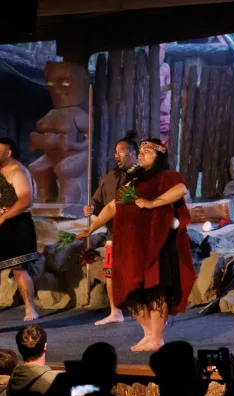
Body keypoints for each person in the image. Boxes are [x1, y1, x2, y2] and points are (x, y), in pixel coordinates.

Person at [77, 138, 195, 352]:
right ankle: (149, 334)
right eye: (139, 151)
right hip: (136, 246)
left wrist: (153, 203)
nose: (140, 155)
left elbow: (180, 190)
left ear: (158, 156)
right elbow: (113, 206)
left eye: (146, 152)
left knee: (156, 290)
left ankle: (157, 338)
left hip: (158, 244)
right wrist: (92, 228)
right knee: (131, 292)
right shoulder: (134, 182)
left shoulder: (167, 176)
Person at [82, 132, 140, 326]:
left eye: (120, 151)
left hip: (137, 234)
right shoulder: (110, 177)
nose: (116, 155)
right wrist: (90, 208)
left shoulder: (143, 176)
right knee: (110, 273)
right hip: (114, 233)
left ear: (132, 152)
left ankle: (151, 312)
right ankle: (116, 312)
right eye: (115, 151)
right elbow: (98, 202)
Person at [0, 137, 40, 321]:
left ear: (9, 152)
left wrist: (3, 217)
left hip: (16, 225)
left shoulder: (18, 171)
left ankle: (31, 309)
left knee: (19, 269)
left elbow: (26, 200)